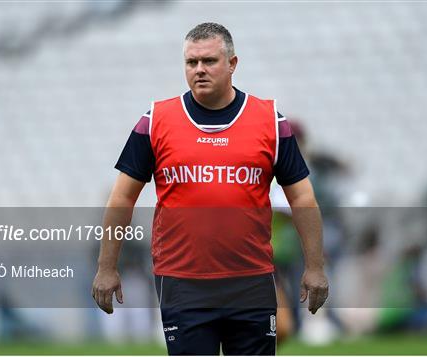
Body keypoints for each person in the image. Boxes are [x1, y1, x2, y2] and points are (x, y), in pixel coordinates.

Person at [92, 22, 328, 355]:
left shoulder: (270, 121)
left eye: (209, 61)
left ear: (232, 64)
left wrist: (315, 267)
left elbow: (302, 197)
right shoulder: (156, 120)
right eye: (191, 62)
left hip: (251, 280)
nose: (199, 70)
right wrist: (106, 268)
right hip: (182, 282)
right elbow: (122, 197)